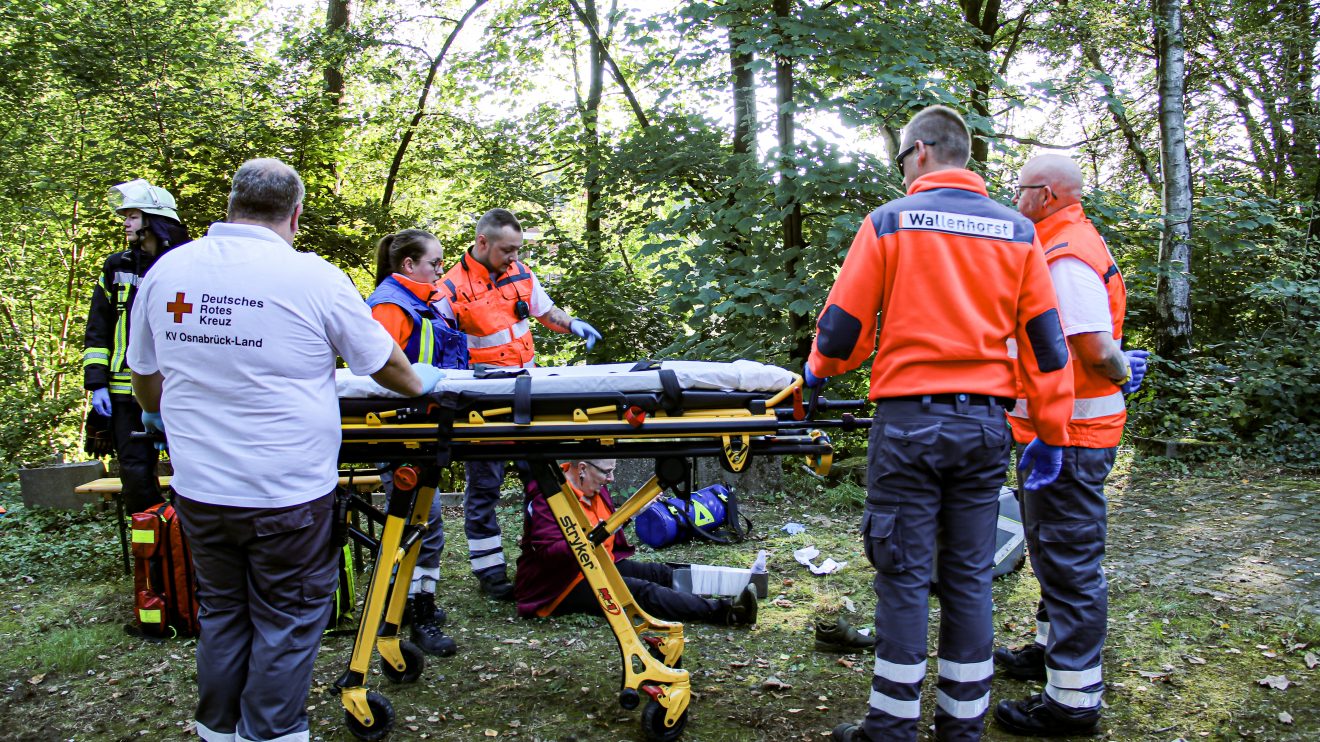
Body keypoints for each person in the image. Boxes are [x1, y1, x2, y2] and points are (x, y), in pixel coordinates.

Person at [128, 158, 442, 742]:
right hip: (285, 494)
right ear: (295, 214)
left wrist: (158, 409)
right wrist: (429, 385)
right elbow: (389, 368)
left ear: (230, 205)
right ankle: (272, 735)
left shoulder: (169, 272)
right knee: (289, 619)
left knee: (224, 615)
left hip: (200, 490)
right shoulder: (310, 277)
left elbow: (146, 380)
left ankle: (218, 731)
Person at [809, 106, 1076, 742]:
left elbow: (844, 331)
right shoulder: (1018, 232)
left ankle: (893, 727)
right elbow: (1046, 346)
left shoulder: (890, 223)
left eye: (901, 158)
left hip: (909, 425)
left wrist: (819, 369)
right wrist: (1054, 430)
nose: (901, 170)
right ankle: (963, 727)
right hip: (984, 427)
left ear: (921, 152)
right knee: (969, 579)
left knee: (902, 577)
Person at [993, 155, 1150, 737]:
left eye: (1023, 189)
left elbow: (1091, 346)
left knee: (1070, 561)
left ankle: (1073, 702)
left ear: (1049, 194)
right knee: (1050, 550)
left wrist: (1115, 370)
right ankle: (1048, 654)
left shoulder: (1063, 256)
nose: (1015, 197)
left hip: (1072, 436)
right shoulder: (1060, 241)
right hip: (1055, 432)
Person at [436, 208, 602, 600]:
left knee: (544, 480)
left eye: (517, 249)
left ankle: (546, 557)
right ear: (482, 243)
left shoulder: (522, 274)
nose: (514, 257)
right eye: (507, 250)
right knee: (484, 487)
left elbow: (546, 312)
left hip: (526, 394)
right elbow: (438, 345)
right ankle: (489, 572)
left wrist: (572, 324)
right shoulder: (450, 288)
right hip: (481, 403)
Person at [365, 227, 468, 657]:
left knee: (420, 525)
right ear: (408, 265)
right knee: (421, 526)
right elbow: (380, 370)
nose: (441, 270)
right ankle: (415, 609)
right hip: (399, 431)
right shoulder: (390, 306)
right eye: (435, 263)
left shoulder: (423, 301)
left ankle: (408, 601)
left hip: (423, 428)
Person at [514, 458, 757, 625]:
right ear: (582, 469)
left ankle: (741, 584)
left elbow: (606, 524)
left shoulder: (593, 487)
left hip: (598, 563)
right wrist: (594, 535)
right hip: (563, 584)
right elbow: (548, 553)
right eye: (606, 472)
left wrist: (630, 513)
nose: (611, 479)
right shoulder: (548, 498)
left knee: (658, 572)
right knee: (643, 592)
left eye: (613, 471)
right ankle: (729, 612)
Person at [83, 178, 190, 514]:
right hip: (120, 389)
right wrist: (96, 383)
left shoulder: (185, 265)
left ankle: (191, 538)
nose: (125, 222)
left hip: (174, 385)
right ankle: (152, 542)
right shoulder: (117, 266)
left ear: (154, 219)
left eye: (132, 215)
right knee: (135, 472)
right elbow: (98, 327)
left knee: (189, 464)